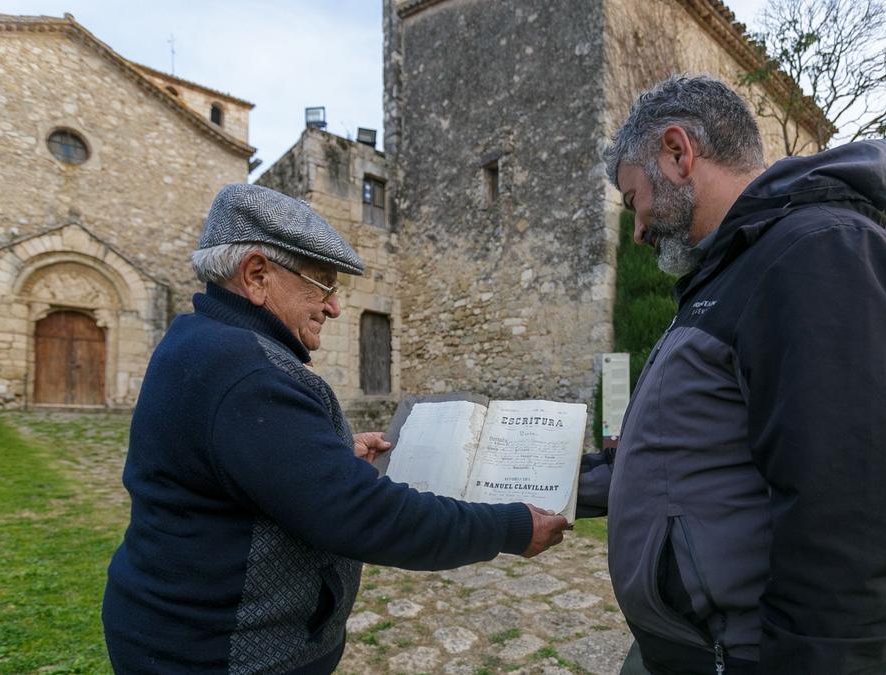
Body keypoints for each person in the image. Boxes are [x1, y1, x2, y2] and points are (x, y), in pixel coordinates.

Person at [101, 183, 569, 674]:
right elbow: (363, 516)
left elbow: (250, 468)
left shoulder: (205, 341)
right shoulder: (248, 371)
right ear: (257, 275)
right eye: (322, 283)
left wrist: (329, 457)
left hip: (179, 632)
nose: (334, 307)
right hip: (219, 654)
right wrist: (510, 527)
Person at [578, 75, 886, 673]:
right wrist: (535, 486)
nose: (636, 229)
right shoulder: (731, 273)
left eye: (633, 198)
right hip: (682, 650)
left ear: (677, 152)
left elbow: (854, 523)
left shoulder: (819, 253)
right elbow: (674, 461)